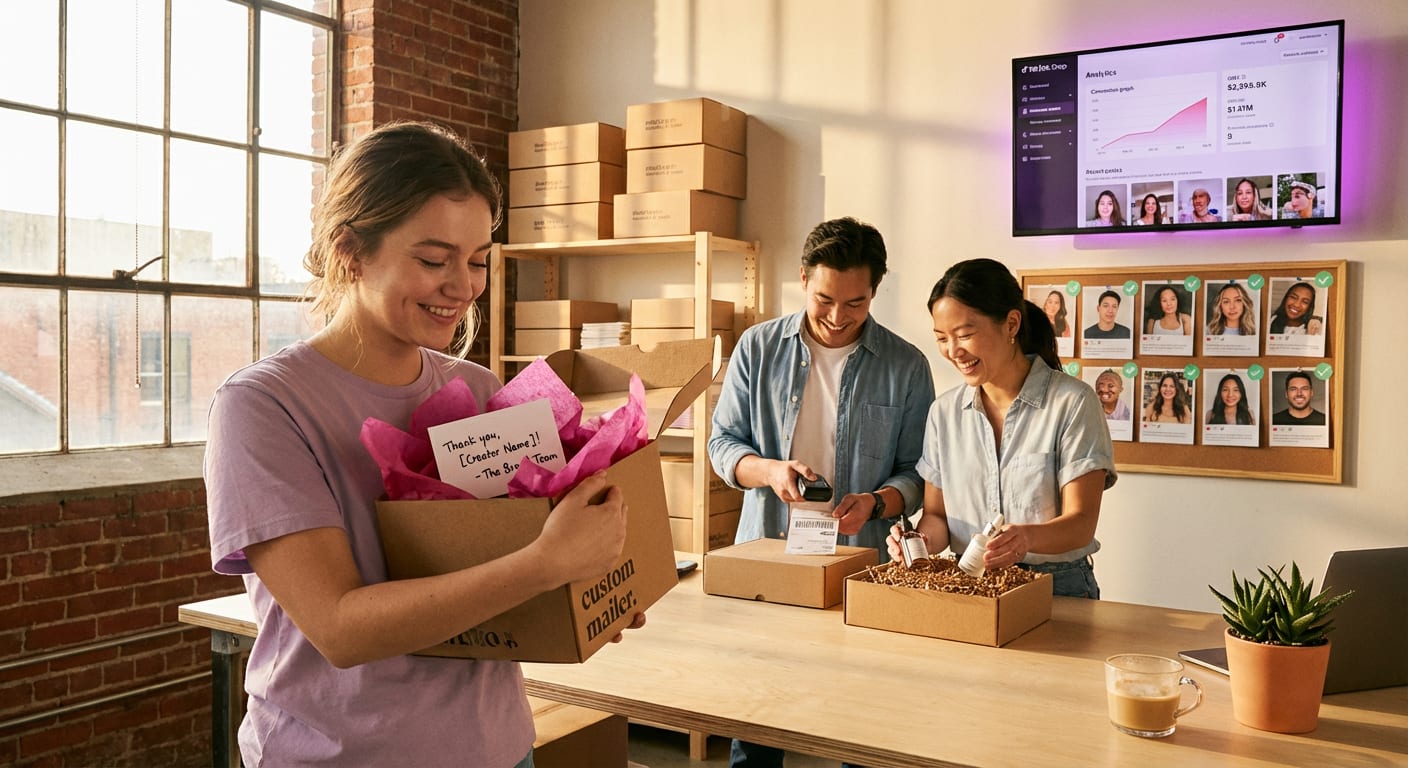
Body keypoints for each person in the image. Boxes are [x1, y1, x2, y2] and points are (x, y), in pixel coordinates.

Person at [203, 122, 644, 768]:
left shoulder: (478, 387)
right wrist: (546, 565)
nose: (463, 287)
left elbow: (497, 576)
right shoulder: (263, 407)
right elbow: (340, 627)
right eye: (434, 261)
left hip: (497, 749)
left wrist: (582, 593)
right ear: (349, 251)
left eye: (477, 262)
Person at [708, 216, 934, 768]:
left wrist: (877, 502)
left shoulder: (907, 366)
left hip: (863, 564)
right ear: (803, 278)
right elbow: (722, 446)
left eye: (855, 303)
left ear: (875, 291)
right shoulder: (757, 348)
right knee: (757, 716)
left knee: (868, 719)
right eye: (824, 299)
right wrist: (769, 472)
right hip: (770, 554)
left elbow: (920, 475)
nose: (838, 317)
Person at [887, 258, 1116, 600]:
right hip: (969, 585)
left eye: (964, 335)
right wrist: (918, 543)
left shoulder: (1073, 402)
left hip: (1057, 587)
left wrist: (1027, 539)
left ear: (1011, 324)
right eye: (942, 338)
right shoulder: (944, 413)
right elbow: (936, 515)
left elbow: (1081, 523)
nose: (953, 351)